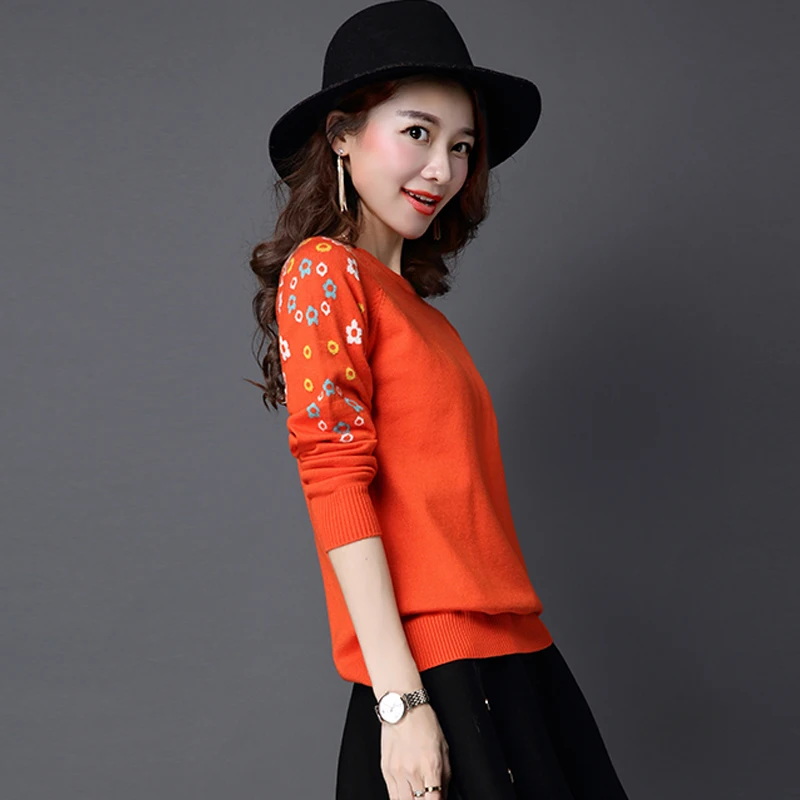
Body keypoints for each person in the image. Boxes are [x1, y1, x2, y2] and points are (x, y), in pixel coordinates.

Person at [247, 2, 632, 798]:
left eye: (460, 146)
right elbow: (334, 479)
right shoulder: (324, 271)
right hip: (439, 670)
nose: (442, 170)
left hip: (516, 653)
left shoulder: (420, 314)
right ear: (342, 135)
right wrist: (400, 703)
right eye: (417, 133)